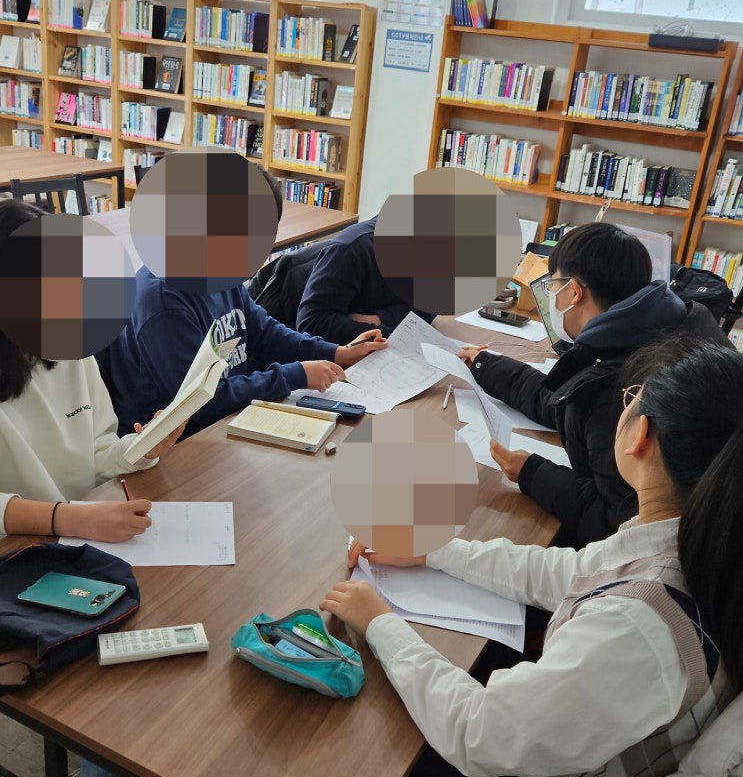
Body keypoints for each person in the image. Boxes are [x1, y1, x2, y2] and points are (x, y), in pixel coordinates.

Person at [315, 336, 743, 777]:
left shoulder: (641, 625)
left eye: (628, 397)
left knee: (349, 760)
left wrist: (381, 621)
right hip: (587, 768)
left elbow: (478, 732)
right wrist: (433, 552)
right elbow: (568, 574)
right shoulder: (693, 542)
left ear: (638, 433)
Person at [0, 199, 185, 777]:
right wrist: (68, 517)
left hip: (81, 538)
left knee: (185, 634)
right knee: (130, 667)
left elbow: (99, 446)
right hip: (21, 554)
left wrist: (143, 445)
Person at [458, 222, 729, 547]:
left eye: (552, 285)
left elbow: (618, 523)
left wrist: (531, 473)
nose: (551, 297)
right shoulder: (668, 325)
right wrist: (485, 365)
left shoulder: (620, 386)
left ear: (574, 292)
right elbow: (563, 400)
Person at [107, 175, 387, 437]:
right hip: (175, 443)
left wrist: (337, 352)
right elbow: (198, 404)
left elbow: (264, 333)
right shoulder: (161, 302)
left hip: (226, 418)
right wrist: (293, 375)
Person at [295, 214, 434, 344]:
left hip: (380, 350)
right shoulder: (348, 251)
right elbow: (311, 324)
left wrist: (379, 319)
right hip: (339, 353)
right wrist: (395, 334)